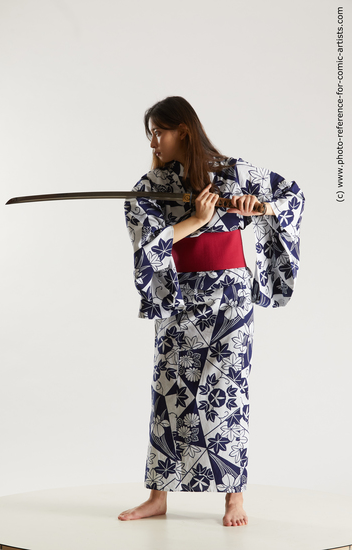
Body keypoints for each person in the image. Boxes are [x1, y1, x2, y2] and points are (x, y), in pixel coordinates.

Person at [120, 96, 304, 526]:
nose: (153, 142)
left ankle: (233, 498)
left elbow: (292, 197)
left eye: (158, 132)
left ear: (182, 130)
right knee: (168, 390)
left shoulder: (236, 172)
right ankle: (157, 496)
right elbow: (146, 243)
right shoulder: (152, 185)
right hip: (180, 296)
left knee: (228, 392)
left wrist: (259, 209)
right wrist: (196, 221)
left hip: (230, 299)